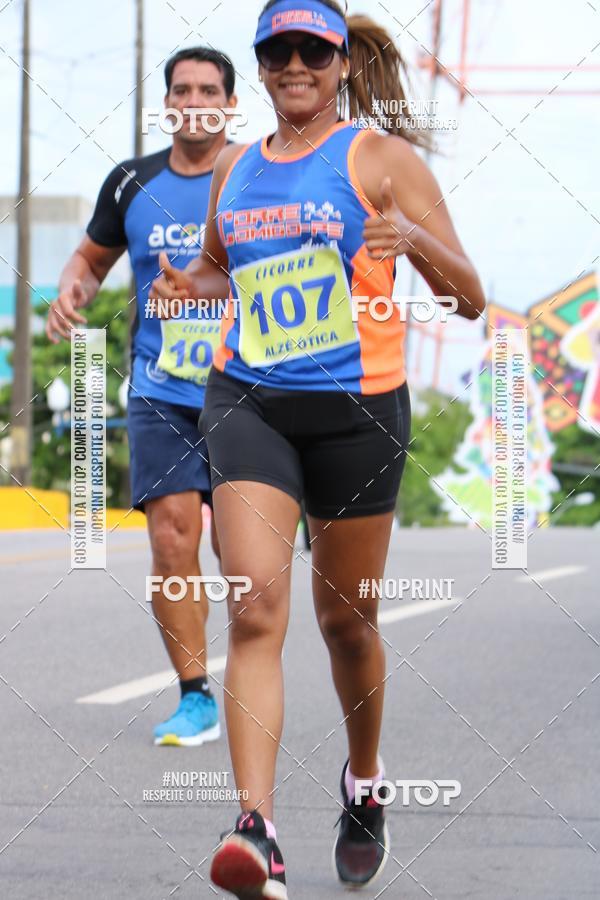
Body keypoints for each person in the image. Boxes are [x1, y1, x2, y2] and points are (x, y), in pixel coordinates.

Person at [151, 0, 486, 895]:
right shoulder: (239, 171)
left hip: (358, 414)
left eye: (313, 50)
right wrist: (192, 284)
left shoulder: (379, 160)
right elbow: (224, 267)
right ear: (260, 66)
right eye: (278, 50)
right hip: (249, 401)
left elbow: (471, 298)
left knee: (348, 624)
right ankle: (254, 831)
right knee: (256, 607)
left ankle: (364, 782)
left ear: (340, 63)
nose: (295, 63)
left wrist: (409, 238)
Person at [46, 46, 238, 748]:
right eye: (181, 89)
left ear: (227, 103)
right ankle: (196, 697)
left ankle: (253, 671)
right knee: (171, 540)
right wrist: (74, 289)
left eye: (208, 90)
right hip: (160, 391)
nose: (194, 100)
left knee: (241, 554)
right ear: (167, 104)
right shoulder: (131, 182)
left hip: (247, 387)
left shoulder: (252, 172)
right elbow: (91, 259)